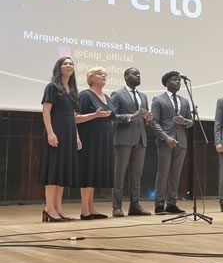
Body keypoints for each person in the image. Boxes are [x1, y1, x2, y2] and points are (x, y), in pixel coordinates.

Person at [40, 57, 80, 222]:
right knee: (53, 171)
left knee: (62, 171)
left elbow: (73, 115)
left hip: (69, 132)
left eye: (71, 63)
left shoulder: (72, 89)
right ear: (59, 67)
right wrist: (50, 132)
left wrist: (77, 135)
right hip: (56, 130)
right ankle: (49, 208)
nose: (69, 65)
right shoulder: (52, 87)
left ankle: (57, 208)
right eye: (65, 63)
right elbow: (46, 111)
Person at [110, 67, 152, 217]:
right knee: (119, 174)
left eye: (140, 74)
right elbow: (112, 116)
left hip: (140, 138)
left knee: (136, 175)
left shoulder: (143, 96)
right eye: (135, 74)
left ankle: (135, 206)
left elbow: (144, 117)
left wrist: (147, 118)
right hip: (123, 138)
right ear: (126, 77)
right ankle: (117, 207)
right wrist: (131, 116)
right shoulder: (117, 94)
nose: (138, 76)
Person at [150, 71, 193, 214]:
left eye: (179, 81)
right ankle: (159, 204)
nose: (178, 82)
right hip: (165, 142)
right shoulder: (158, 100)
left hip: (181, 142)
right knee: (163, 173)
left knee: (176, 174)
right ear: (166, 83)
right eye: (174, 80)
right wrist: (165, 137)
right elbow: (153, 121)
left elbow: (191, 121)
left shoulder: (185, 101)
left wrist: (185, 121)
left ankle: (172, 203)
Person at [75, 67, 114, 220]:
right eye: (99, 74)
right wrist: (95, 115)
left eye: (105, 74)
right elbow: (76, 118)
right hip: (89, 138)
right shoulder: (85, 95)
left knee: (95, 173)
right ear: (91, 78)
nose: (103, 76)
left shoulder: (107, 97)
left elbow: (113, 116)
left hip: (103, 140)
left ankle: (91, 208)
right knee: (88, 172)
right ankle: (84, 210)